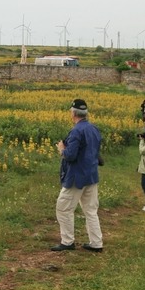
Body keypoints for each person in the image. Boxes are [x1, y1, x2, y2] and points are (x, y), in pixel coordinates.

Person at [50, 98, 104, 253]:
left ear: (73, 113)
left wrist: (62, 148)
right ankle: (96, 243)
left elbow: (71, 155)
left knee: (63, 208)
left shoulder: (76, 131)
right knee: (91, 211)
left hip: (76, 177)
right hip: (91, 175)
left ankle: (67, 241)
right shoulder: (94, 128)